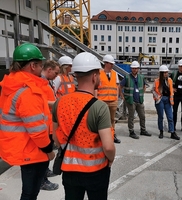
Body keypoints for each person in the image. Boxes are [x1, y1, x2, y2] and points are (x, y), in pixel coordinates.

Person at [52, 52, 115, 200]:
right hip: (96, 171)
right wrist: (110, 159)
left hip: (69, 170)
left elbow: (55, 137)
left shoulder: (59, 103)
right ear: (94, 77)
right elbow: (108, 147)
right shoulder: (99, 107)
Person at [0, 43, 55, 200]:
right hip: (32, 150)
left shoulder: (12, 85)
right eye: (40, 64)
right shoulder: (28, 92)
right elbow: (37, 129)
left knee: (29, 191)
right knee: (30, 193)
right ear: (32, 65)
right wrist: (49, 150)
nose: (41, 68)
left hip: (21, 146)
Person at [40, 60, 60, 191]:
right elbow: (42, 101)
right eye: (55, 72)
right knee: (43, 153)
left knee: (45, 153)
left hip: (47, 123)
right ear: (49, 70)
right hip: (43, 124)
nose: (56, 76)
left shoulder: (46, 82)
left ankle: (45, 172)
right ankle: (42, 180)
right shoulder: (40, 83)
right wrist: (58, 103)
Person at [119, 61, 151, 139]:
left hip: (139, 100)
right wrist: (122, 96)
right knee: (131, 116)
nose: (134, 70)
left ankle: (143, 130)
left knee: (142, 116)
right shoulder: (127, 77)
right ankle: (131, 131)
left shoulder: (141, 77)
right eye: (133, 68)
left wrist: (142, 94)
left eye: (136, 68)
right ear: (131, 69)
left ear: (138, 69)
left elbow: (144, 86)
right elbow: (120, 87)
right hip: (130, 100)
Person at [95, 54, 121, 144]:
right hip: (102, 101)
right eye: (111, 64)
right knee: (101, 120)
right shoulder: (99, 73)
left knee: (112, 120)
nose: (112, 65)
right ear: (105, 63)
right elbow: (96, 87)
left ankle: (113, 136)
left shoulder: (115, 74)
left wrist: (117, 98)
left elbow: (117, 86)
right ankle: (101, 137)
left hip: (113, 101)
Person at [152, 65, 180, 140]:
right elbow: (153, 90)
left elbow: (171, 90)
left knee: (170, 117)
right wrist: (157, 97)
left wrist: (171, 97)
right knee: (161, 116)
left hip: (168, 100)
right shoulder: (156, 81)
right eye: (164, 72)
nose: (165, 74)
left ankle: (172, 132)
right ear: (161, 73)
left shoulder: (170, 80)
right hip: (160, 100)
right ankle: (161, 131)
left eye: (166, 72)